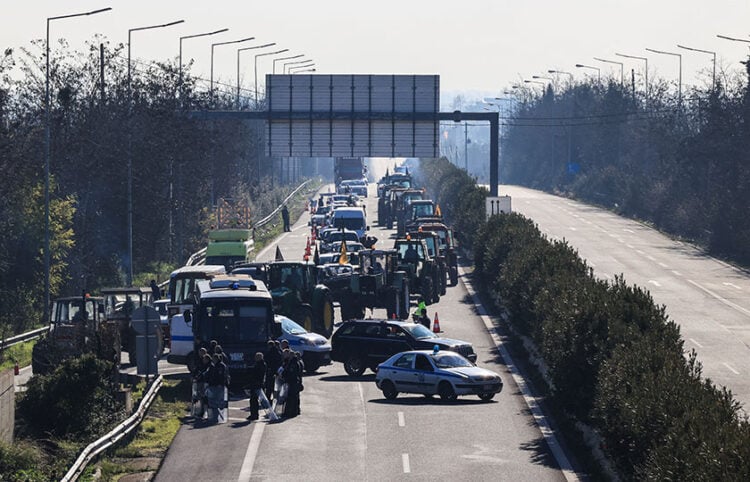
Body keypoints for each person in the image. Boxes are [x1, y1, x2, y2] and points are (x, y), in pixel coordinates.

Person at [206, 353, 229, 423]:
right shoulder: (213, 366)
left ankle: (217, 417)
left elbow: (221, 376)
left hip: (218, 385)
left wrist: (220, 383)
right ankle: (214, 417)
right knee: (212, 401)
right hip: (213, 385)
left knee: (217, 402)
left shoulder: (221, 366)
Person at [280, 349, 301, 418]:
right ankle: (289, 412)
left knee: (291, 398)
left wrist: (285, 376)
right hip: (291, 382)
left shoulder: (294, 363)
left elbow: (291, 373)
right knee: (290, 398)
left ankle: (291, 412)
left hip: (293, 382)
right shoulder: (290, 362)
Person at [246, 352, 266, 421]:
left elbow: (257, 374)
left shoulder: (260, 365)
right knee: (254, 400)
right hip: (257, 384)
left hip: (256, 384)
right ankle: (254, 414)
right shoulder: (262, 364)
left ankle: (254, 414)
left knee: (253, 400)